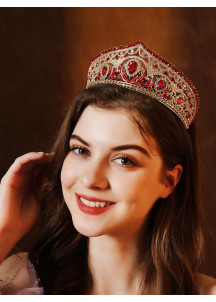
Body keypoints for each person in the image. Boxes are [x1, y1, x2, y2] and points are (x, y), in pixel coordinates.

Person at [0, 41, 215, 295]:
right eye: (81, 150)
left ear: (168, 180)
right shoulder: (15, 280)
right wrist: (6, 228)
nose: (91, 179)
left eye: (124, 159)